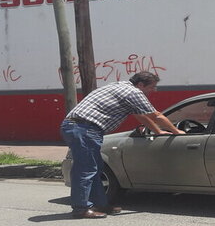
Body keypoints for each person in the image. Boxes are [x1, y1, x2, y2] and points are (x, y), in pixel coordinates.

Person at [61, 71, 184, 218]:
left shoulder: (119, 86)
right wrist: (176, 131)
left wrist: (157, 131)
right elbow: (156, 115)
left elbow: (141, 115)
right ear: (140, 85)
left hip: (81, 127)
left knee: (95, 168)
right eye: (152, 86)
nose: (154, 90)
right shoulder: (133, 92)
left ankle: (100, 204)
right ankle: (80, 208)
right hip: (84, 128)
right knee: (86, 169)